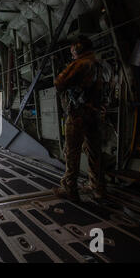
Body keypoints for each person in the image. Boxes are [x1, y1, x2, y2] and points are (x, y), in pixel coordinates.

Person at [53, 35, 106, 202]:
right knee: (94, 152)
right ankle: (97, 187)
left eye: (73, 51)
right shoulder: (100, 65)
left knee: (72, 151)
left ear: (77, 49)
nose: (72, 54)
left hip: (79, 114)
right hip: (96, 113)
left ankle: (69, 187)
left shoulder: (81, 64)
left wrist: (66, 68)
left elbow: (59, 83)